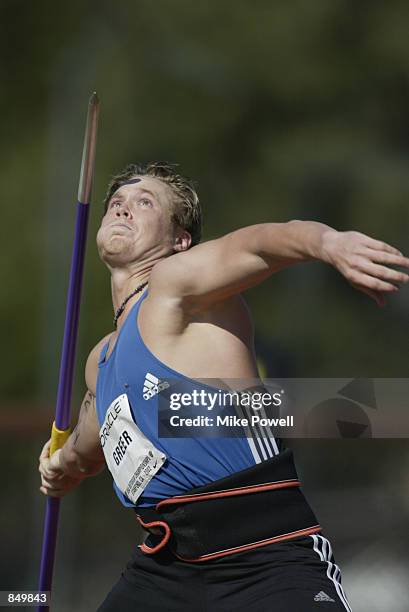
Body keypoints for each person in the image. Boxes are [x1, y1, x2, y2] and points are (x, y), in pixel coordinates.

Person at [39, 162, 409, 611]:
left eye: (144, 202)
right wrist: (61, 466)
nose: (122, 208)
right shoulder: (100, 361)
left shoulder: (176, 288)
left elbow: (259, 245)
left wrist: (328, 243)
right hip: (165, 571)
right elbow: (89, 446)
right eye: (116, 203)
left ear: (179, 242)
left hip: (264, 557)